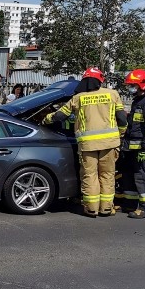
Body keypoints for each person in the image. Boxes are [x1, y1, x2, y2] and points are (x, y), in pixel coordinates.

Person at [43, 67, 126, 217]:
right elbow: (122, 118)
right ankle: (106, 209)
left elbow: (60, 116)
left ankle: (91, 209)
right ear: (100, 80)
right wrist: (120, 133)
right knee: (107, 175)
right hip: (110, 144)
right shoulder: (113, 94)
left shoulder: (79, 98)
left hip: (88, 145)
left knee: (90, 175)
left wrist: (45, 118)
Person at [117, 69, 145, 219]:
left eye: (133, 85)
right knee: (129, 176)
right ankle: (129, 205)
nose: (131, 88)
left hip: (142, 148)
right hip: (131, 147)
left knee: (142, 176)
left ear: (142, 85)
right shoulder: (139, 100)